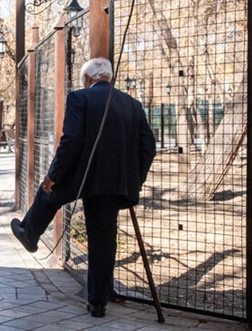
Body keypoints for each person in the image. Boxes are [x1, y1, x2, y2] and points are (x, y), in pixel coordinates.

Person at [10, 57, 156, 317]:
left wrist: (54, 174)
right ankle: (97, 303)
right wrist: (136, 180)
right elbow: (149, 147)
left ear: (88, 79)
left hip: (83, 175)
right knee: (103, 241)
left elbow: (72, 140)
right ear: (108, 76)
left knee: (49, 190)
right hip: (115, 183)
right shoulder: (133, 104)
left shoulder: (80, 98)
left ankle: (30, 233)